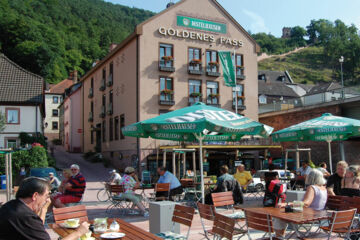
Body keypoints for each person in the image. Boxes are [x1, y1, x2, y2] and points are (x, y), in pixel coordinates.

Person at [0, 177, 89, 240]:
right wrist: (79, 233)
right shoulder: (26, 216)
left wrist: (44, 209)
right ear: (35, 195)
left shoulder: (10, 206)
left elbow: (38, 228)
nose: (47, 199)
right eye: (46, 195)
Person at [273, 169, 328, 237]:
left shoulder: (312, 187)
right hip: (318, 214)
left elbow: (305, 203)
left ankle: (279, 237)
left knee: (279, 216)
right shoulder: (324, 188)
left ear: (310, 177)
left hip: (308, 214)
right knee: (284, 212)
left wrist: (287, 204)